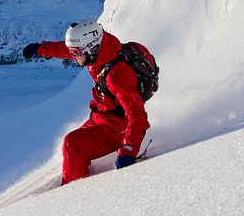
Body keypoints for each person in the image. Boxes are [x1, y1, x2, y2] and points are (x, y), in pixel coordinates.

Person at [22, 19, 150, 185]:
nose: (73, 56)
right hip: (102, 116)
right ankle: (73, 175)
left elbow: (137, 114)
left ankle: (73, 191)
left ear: (91, 47)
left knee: (72, 145)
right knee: (70, 148)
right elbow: (64, 49)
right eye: (72, 52)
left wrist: (128, 150)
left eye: (76, 52)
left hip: (118, 127)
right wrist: (40, 49)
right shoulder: (100, 53)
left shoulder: (117, 75)